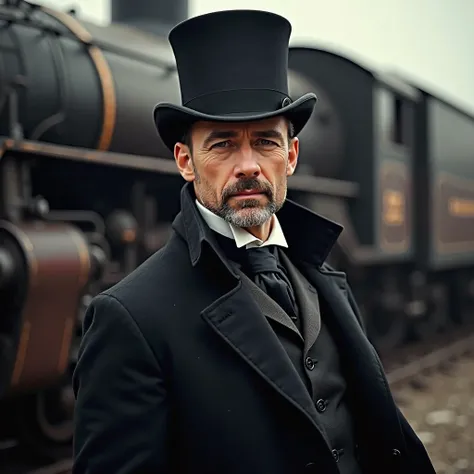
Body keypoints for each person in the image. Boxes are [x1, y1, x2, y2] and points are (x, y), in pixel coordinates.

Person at [72, 9, 436, 474]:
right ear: (185, 160)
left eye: (265, 142)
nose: (248, 165)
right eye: (222, 144)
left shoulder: (327, 279)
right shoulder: (127, 318)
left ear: (292, 155)